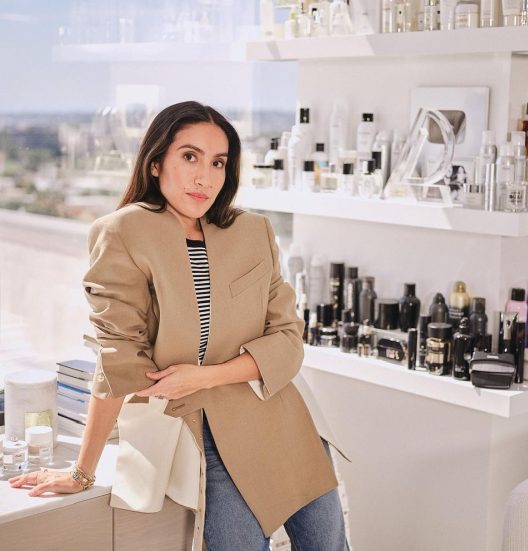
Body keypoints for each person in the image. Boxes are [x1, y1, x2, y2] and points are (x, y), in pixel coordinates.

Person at [9, 101, 349, 551]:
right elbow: (117, 359)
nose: (204, 177)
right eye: (190, 157)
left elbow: (289, 341)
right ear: (156, 163)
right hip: (210, 438)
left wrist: (203, 376)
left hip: (286, 421)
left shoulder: (254, 231)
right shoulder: (123, 233)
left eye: (218, 163)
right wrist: (82, 471)